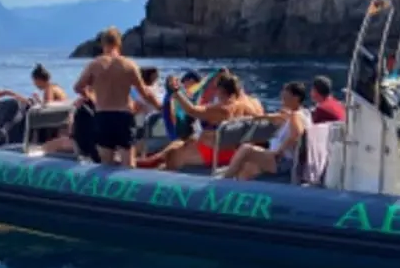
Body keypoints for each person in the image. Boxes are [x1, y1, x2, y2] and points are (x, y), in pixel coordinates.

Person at [73, 27, 160, 166]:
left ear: (103, 44)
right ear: (119, 43)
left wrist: (92, 97)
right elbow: (145, 93)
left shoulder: (95, 64)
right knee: (129, 164)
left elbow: (77, 87)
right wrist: (160, 107)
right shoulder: (129, 65)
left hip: (103, 116)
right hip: (123, 116)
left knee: (106, 164)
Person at [141, 73, 261, 170]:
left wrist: (175, 92)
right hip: (230, 152)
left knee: (172, 155)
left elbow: (191, 110)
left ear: (220, 90)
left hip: (213, 154)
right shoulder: (246, 106)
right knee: (182, 142)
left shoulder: (223, 109)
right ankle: (152, 162)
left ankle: (150, 168)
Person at [220, 81, 309, 181]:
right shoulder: (304, 113)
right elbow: (278, 117)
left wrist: (279, 151)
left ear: (296, 98)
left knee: (246, 149)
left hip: (283, 161)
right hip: (285, 160)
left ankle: (222, 182)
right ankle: (237, 190)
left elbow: (296, 135)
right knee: (247, 168)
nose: (282, 97)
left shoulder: (295, 115)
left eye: (285, 95)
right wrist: (257, 117)